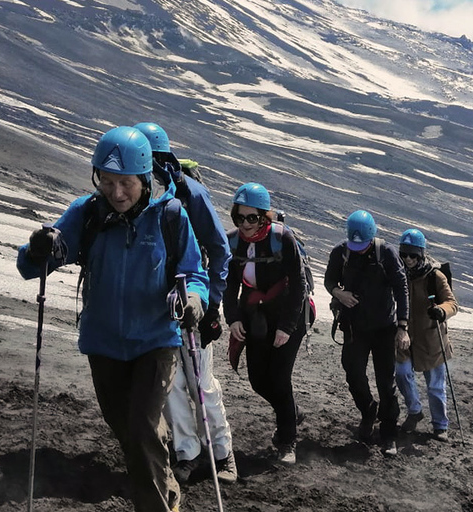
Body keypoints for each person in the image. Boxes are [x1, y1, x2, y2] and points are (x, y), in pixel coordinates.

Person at [17, 126, 209, 512]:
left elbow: (196, 274)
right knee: (128, 430)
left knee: (139, 431)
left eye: (125, 183)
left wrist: (194, 301)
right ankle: (168, 489)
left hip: (156, 341)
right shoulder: (87, 213)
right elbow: (34, 264)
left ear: (143, 178)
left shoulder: (171, 216)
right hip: (103, 343)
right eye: (107, 182)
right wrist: (37, 249)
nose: (116, 193)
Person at [134, 123, 237, 484]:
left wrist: (212, 306)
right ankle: (187, 452)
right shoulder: (139, 194)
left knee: (200, 382)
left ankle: (223, 454)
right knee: (170, 384)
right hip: (158, 306)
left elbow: (220, 250)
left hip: (193, 300)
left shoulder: (190, 193)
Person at [222, 183, 307, 464]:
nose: (245, 224)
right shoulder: (233, 241)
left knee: (280, 378)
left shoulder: (283, 239)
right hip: (255, 315)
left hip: (288, 315)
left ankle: (287, 441)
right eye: (240, 217)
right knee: (258, 379)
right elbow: (229, 284)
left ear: (264, 216)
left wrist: (287, 326)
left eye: (252, 217)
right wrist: (232, 318)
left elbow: (298, 285)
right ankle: (290, 412)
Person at [324, 210, 409, 455]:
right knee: (353, 374)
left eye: (362, 244)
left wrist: (403, 328)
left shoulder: (387, 254)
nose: (358, 248)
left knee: (386, 382)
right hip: (354, 328)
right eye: (354, 244)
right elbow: (330, 281)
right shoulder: (341, 252)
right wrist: (339, 294)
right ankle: (368, 410)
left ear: (371, 237)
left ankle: (389, 434)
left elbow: (402, 290)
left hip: (384, 328)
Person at [393, 229, 458, 442]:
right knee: (402, 374)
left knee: (435, 385)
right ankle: (414, 411)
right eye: (404, 254)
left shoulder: (434, 276)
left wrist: (441, 311)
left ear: (421, 254)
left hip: (431, 338)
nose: (408, 259)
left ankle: (440, 425)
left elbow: (452, 303)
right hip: (404, 336)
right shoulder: (396, 272)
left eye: (413, 255)